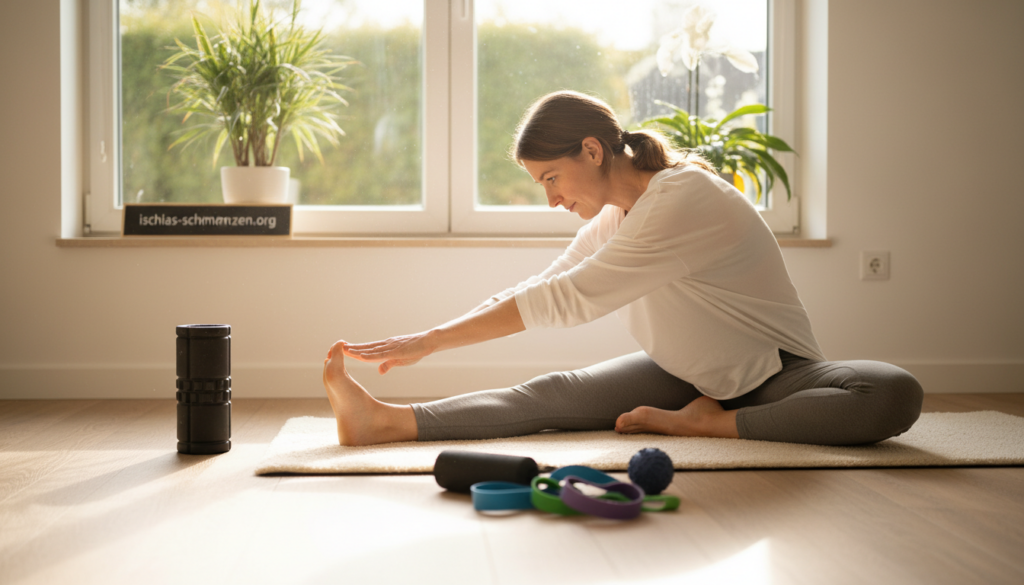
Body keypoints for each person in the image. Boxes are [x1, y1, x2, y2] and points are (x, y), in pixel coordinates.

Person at [322, 90, 923, 447]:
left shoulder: (684, 197)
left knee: (891, 392)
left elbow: (569, 300)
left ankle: (708, 427)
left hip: (773, 375)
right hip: (687, 375)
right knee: (549, 395)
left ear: (591, 149)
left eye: (551, 179)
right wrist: (431, 337)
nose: (551, 199)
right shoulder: (617, 216)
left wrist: (429, 342)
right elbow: (546, 286)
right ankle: (384, 422)